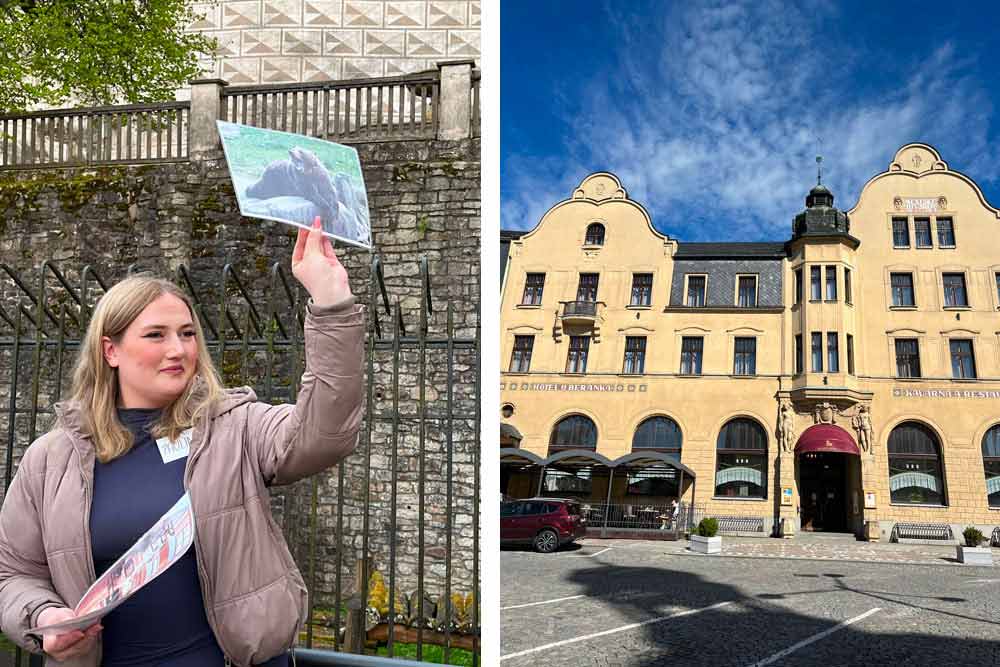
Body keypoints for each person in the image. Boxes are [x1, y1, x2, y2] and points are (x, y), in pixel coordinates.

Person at [0, 217, 364, 666]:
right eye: (156, 335)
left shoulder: (236, 428)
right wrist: (45, 615)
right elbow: (12, 573)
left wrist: (331, 303)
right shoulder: (50, 459)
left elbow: (325, 434)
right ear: (110, 351)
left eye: (187, 334)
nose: (179, 349)